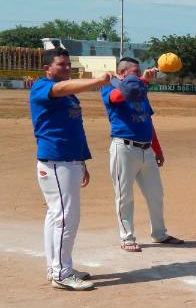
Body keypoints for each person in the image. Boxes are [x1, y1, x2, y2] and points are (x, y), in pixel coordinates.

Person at [30, 47, 111, 290]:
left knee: (57, 216)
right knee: (66, 217)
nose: (66, 68)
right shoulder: (42, 88)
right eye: (61, 65)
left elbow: (74, 128)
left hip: (69, 160)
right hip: (56, 161)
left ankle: (57, 267)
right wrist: (97, 81)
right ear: (47, 68)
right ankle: (61, 273)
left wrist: (81, 162)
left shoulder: (69, 97)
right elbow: (62, 87)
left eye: (68, 65)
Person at [100, 57, 183, 252]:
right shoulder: (109, 87)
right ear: (121, 74)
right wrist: (143, 80)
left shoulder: (140, 90)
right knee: (124, 196)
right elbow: (117, 99)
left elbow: (147, 122)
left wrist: (157, 148)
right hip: (124, 149)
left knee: (156, 194)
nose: (139, 74)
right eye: (135, 72)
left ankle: (159, 234)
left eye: (139, 72)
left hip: (146, 150)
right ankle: (127, 238)